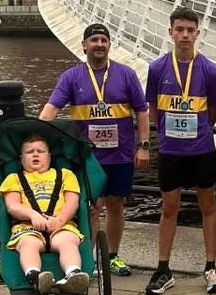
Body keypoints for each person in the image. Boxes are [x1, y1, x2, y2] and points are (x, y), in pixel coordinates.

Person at [40, 23, 149, 276]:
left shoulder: (126, 74)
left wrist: (143, 146)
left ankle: (111, 256)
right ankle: (86, 261)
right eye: (94, 40)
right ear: (84, 45)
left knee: (116, 204)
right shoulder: (71, 76)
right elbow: (51, 109)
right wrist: (35, 134)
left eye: (103, 40)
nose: (99, 44)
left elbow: (141, 111)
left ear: (109, 45)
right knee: (91, 207)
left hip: (120, 154)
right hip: (88, 157)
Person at [144, 6, 216, 295]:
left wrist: (197, 131)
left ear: (197, 33)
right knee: (169, 208)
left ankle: (210, 267)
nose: (185, 35)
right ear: (170, 32)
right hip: (171, 150)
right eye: (180, 29)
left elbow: (213, 112)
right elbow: (153, 110)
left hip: (201, 148)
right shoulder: (157, 68)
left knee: (208, 206)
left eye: (190, 30)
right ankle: (163, 269)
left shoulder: (209, 70)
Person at [0, 135, 89, 295]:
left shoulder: (66, 175)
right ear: (21, 158)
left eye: (40, 151)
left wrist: (60, 220)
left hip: (61, 224)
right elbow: (12, 205)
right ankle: (35, 277)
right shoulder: (13, 179)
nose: (35, 154)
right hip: (27, 226)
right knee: (28, 244)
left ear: (49, 156)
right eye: (29, 152)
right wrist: (32, 215)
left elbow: (72, 202)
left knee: (68, 241)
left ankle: (73, 274)